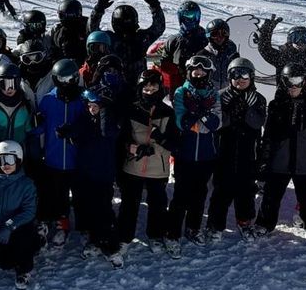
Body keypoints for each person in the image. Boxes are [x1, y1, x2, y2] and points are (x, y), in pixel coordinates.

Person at [256, 68, 306, 244]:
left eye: (297, 82)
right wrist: (264, 160)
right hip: (281, 157)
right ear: (283, 82)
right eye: (289, 82)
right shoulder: (277, 104)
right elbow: (268, 135)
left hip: (303, 157)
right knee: (272, 193)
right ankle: (265, 223)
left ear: (303, 82)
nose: (293, 87)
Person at [116, 67, 177, 255]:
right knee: (129, 203)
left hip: (158, 167)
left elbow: (175, 142)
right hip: (133, 164)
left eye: (154, 89)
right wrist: (131, 147)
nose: (150, 92)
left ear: (160, 89)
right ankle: (124, 237)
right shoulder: (132, 109)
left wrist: (160, 139)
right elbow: (121, 138)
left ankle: (155, 235)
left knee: (158, 203)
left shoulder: (168, 112)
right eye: (146, 89)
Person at [166, 54, 221, 254]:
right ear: (189, 72)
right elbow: (182, 122)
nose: (198, 73)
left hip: (207, 154)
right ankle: (172, 233)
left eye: (202, 70)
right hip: (185, 152)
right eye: (195, 70)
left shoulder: (214, 94)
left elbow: (215, 124)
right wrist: (201, 116)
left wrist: (199, 113)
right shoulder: (181, 92)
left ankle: (193, 227)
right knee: (181, 194)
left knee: (200, 193)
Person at [207, 58, 267, 240]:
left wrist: (248, 109)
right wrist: (228, 111)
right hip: (224, 151)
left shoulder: (258, 99)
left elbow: (257, 123)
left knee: (246, 190)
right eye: (235, 75)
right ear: (229, 76)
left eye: (244, 75)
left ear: (252, 77)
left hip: (248, 152)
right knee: (221, 191)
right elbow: (216, 124)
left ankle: (245, 222)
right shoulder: (220, 96)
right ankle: (215, 225)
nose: (240, 79)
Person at [31, 58, 86, 247]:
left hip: (76, 158)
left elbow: (88, 125)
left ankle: (83, 226)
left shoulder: (82, 100)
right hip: (54, 158)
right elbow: (41, 127)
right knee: (57, 193)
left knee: (79, 194)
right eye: (62, 79)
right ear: (55, 80)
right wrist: (36, 125)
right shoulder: (49, 100)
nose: (66, 83)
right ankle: (59, 223)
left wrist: (75, 131)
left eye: (70, 79)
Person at [70, 87, 124, 266]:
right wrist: (67, 132)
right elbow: (76, 134)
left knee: (104, 209)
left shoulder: (109, 120)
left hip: (103, 172)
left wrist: (103, 113)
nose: (92, 109)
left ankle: (112, 246)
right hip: (85, 172)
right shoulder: (84, 119)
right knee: (89, 207)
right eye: (90, 106)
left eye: (96, 106)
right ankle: (94, 239)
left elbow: (108, 133)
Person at [0, 141, 41, 290]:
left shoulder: (26, 184)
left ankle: (24, 270)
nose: (5, 164)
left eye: (10, 160)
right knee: (5, 264)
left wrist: (9, 226)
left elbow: (29, 211)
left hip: (16, 229)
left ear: (18, 160)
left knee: (23, 236)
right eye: (1, 160)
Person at [87, 0, 165, 79]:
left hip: (132, 84)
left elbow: (92, 29)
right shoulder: (140, 38)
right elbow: (159, 27)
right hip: (119, 83)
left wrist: (98, 9)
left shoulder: (112, 38)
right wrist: (155, 6)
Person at [160, 1, 208, 93]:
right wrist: (175, 70)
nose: (190, 20)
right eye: (187, 16)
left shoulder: (205, 39)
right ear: (181, 17)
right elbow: (164, 64)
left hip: (203, 88)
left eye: (194, 16)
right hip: (179, 89)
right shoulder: (173, 41)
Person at [0, 64, 34, 148]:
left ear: (19, 83)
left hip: (19, 150)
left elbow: (29, 131)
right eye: (4, 84)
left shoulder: (25, 105)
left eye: (13, 83)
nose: (9, 89)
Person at [51, 0, 89, 64]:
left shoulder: (85, 26)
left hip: (84, 66)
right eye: (61, 15)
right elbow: (53, 46)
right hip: (62, 67)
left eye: (62, 15)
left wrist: (97, 11)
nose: (62, 18)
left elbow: (93, 24)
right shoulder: (59, 30)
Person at [201, 18, 238, 86]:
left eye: (224, 33)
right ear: (209, 36)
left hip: (228, 92)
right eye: (215, 34)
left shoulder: (232, 52)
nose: (220, 37)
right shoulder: (203, 54)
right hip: (210, 93)